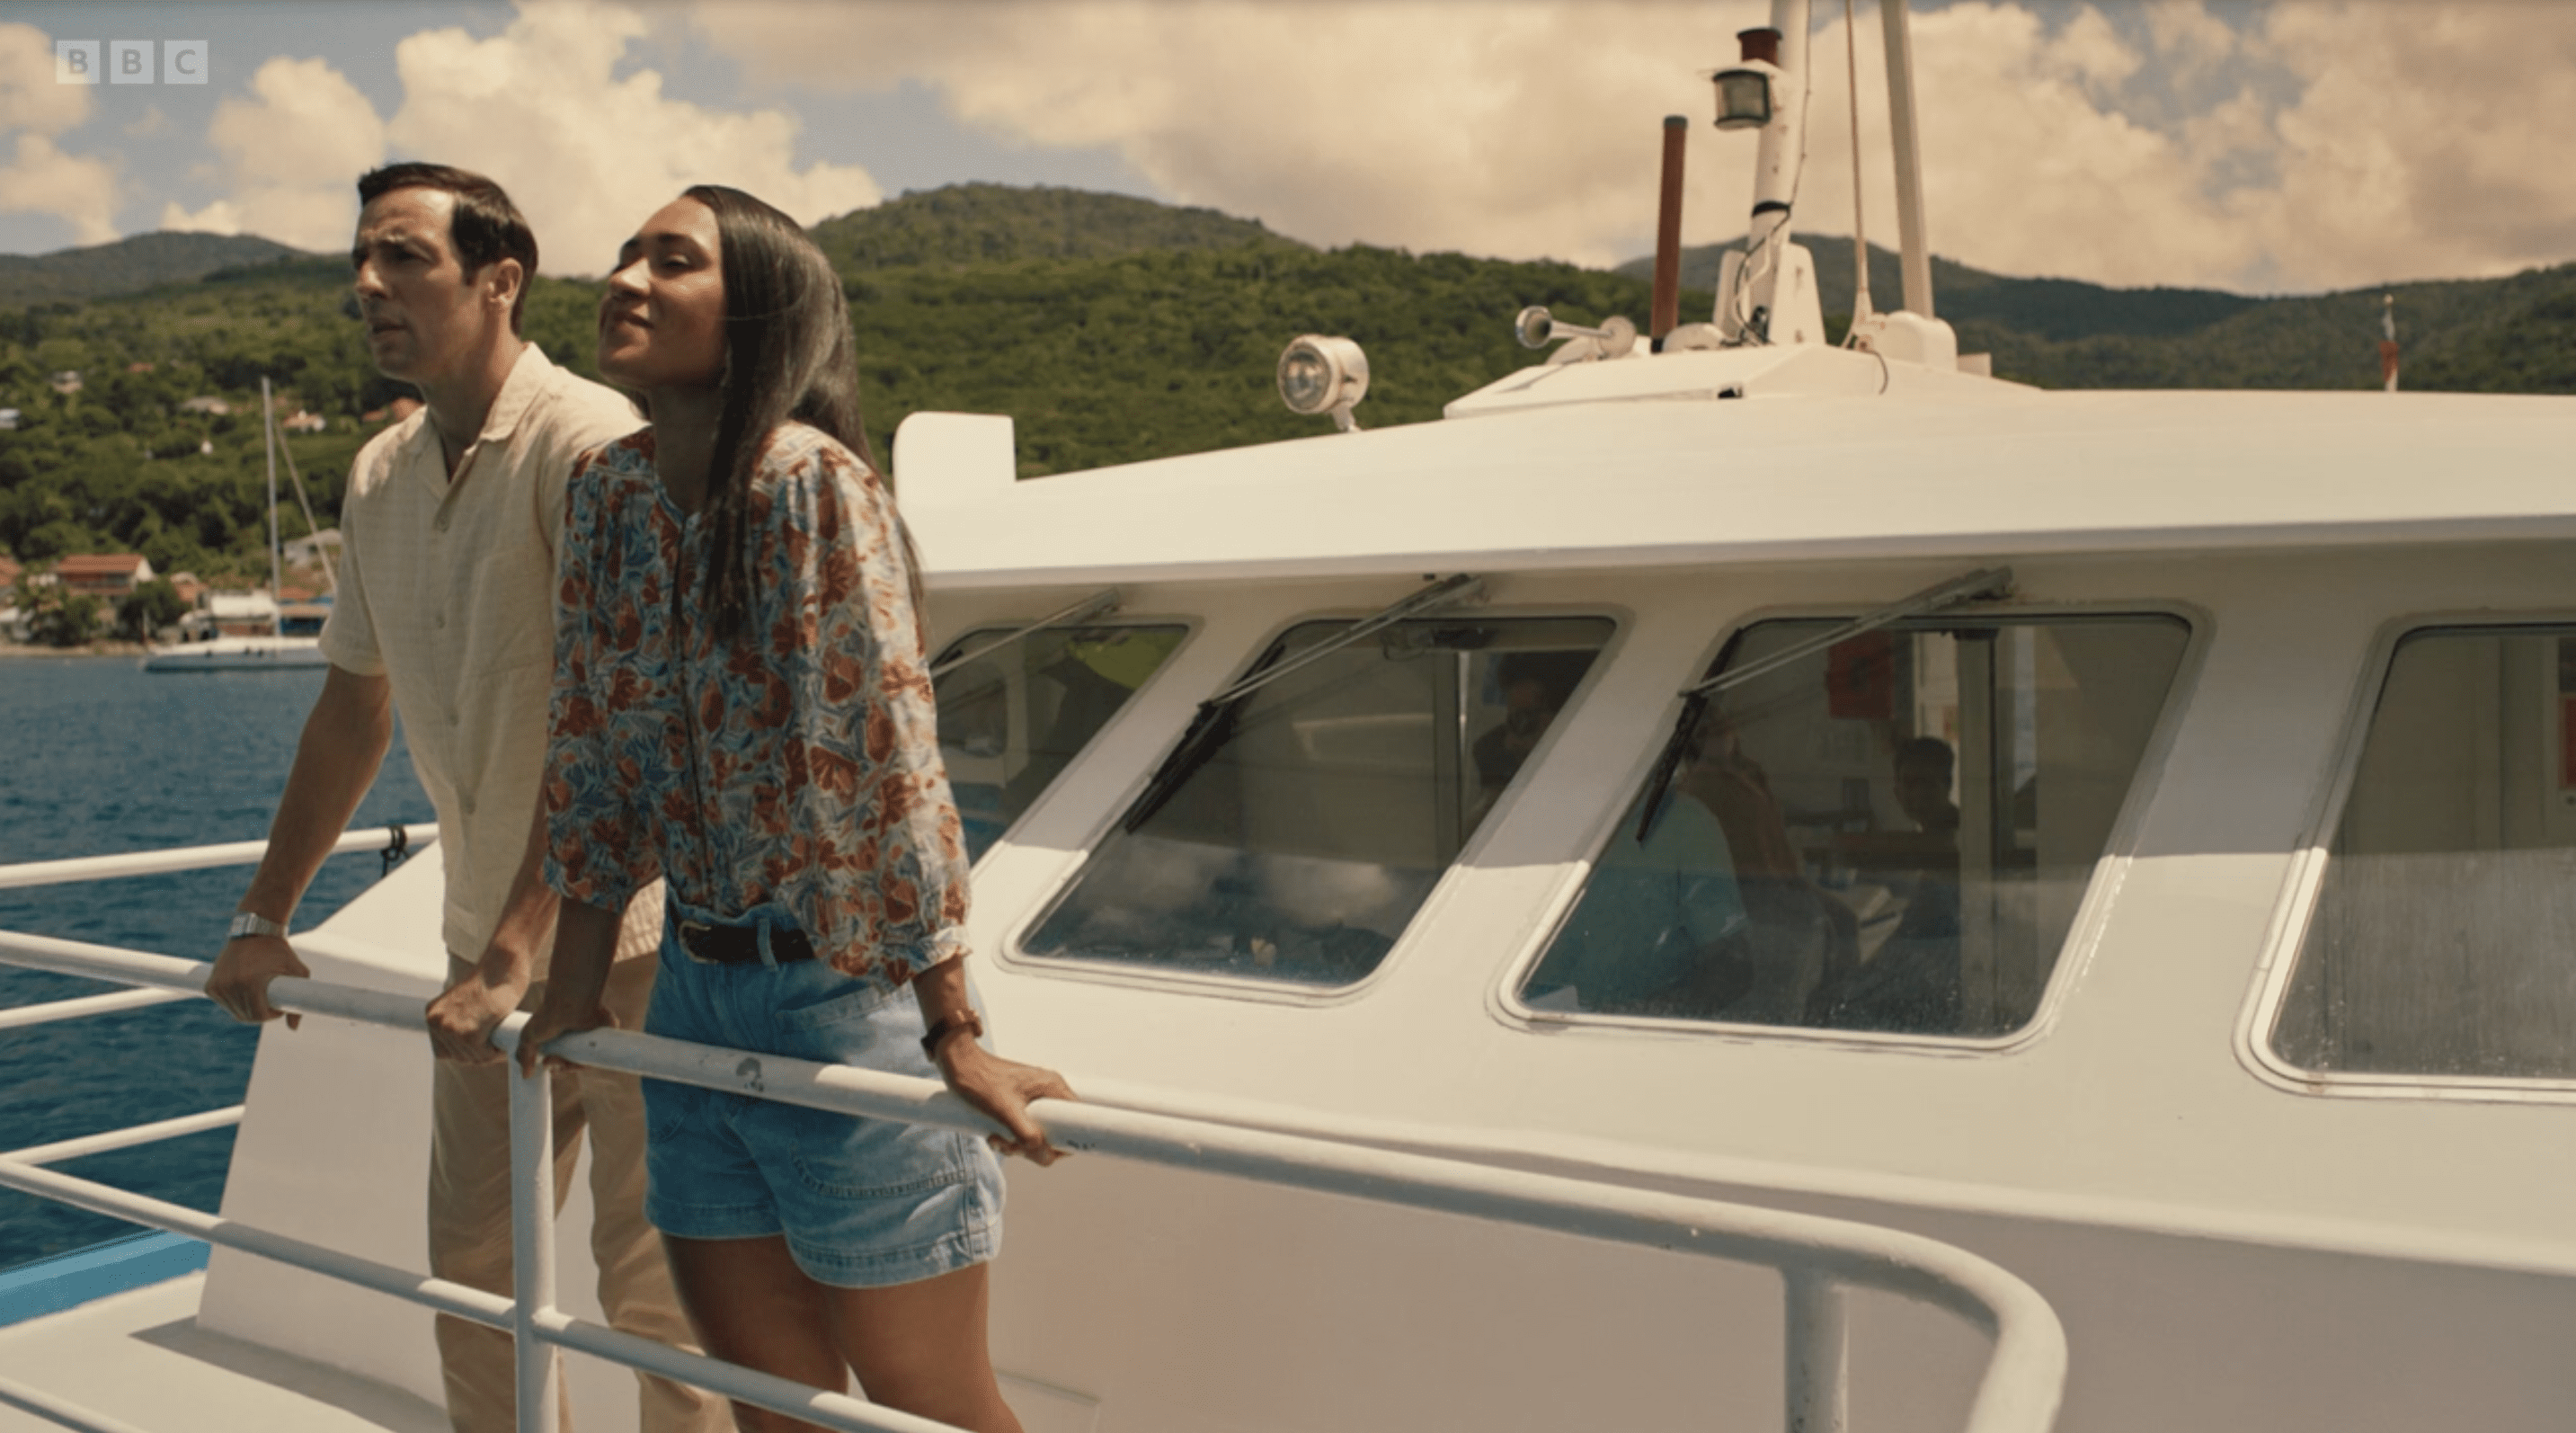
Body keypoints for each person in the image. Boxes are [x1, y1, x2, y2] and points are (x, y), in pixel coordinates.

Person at [515, 185, 1071, 1433]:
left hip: (842, 994)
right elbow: (596, 755)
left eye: (673, 260)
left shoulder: (808, 483)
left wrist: (952, 1029)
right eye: (625, 253)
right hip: (691, 996)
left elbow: (886, 762)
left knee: (928, 1402)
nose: (627, 278)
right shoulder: (609, 493)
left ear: (762, 310)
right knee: (771, 1407)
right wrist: (571, 990)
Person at [202, 165, 728, 1433]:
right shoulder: (380, 472)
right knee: (476, 1276)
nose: (366, 284)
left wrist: (515, 952)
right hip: (480, 943)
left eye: (403, 257)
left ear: (500, 278)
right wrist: (261, 913)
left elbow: (620, 721)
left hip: (648, 941)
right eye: (362, 259)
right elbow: (352, 704)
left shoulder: (592, 444)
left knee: (656, 1291)